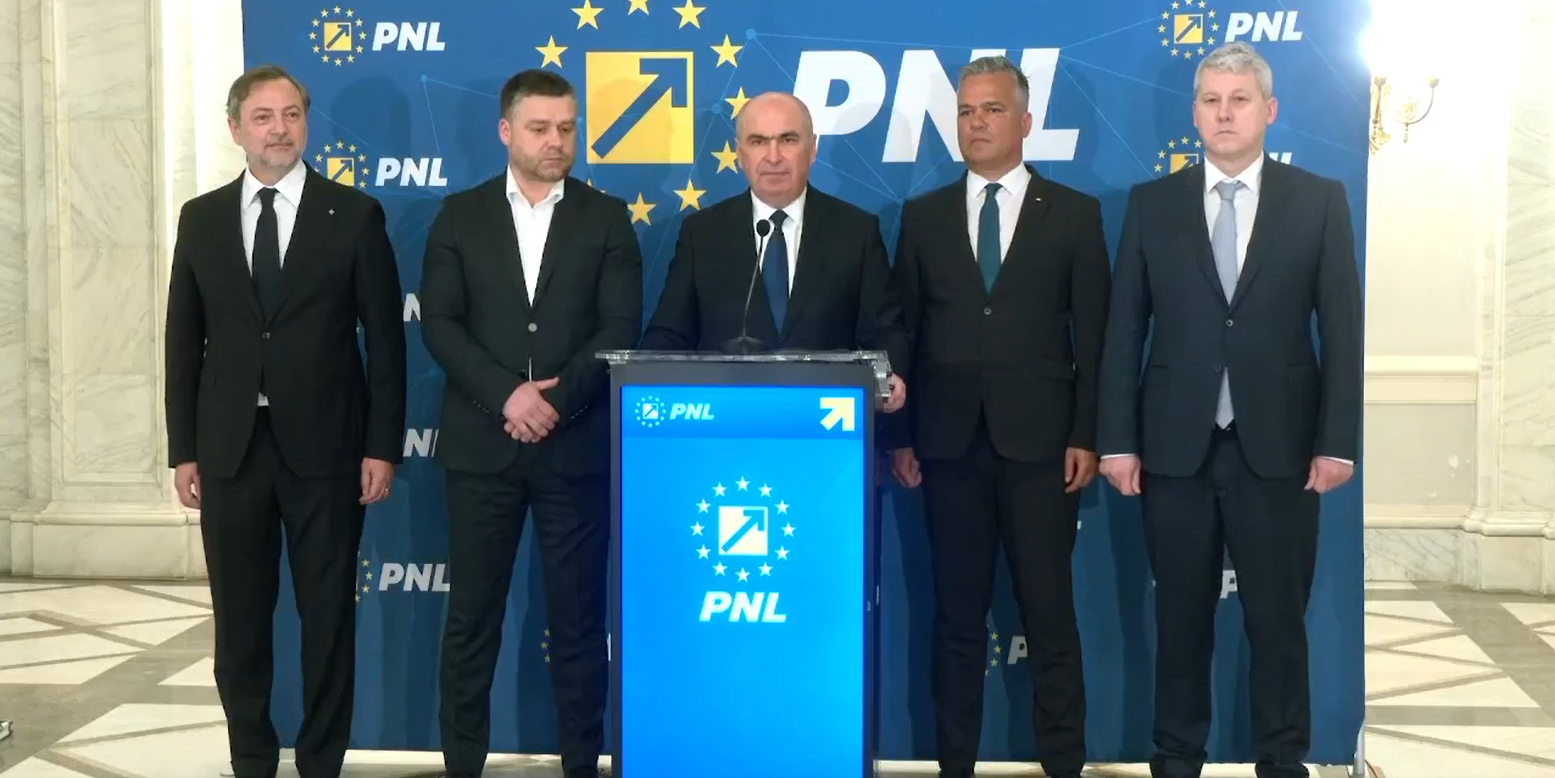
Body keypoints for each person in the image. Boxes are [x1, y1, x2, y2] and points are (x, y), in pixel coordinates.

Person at [1096, 42, 1362, 778]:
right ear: (1193, 112)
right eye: (1211, 100)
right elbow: (1125, 329)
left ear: (1267, 110)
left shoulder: (1318, 200)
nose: (1224, 113)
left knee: (1278, 625)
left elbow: (1341, 328)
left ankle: (1282, 762)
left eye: (1238, 99)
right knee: (1179, 623)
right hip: (1173, 449)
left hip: (1280, 450)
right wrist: (1116, 439)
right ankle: (1176, 760)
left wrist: (1336, 441)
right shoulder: (1151, 204)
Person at [163, 65, 406, 778]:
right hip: (229, 451)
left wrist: (381, 446)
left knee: (327, 619)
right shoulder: (201, 218)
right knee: (239, 623)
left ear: (306, 123)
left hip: (327, 451)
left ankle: (321, 762)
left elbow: (386, 344)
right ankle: (251, 758)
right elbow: (182, 341)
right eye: (264, 117)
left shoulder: (353, 215)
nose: (280, 129)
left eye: (292, 114)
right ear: (235, 129)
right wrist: (183, 449)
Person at [888, 55, 1110, 778]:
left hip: (1043, 450)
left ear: (1026, 121)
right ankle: (954, 763)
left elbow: (1094, 336)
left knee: (1049, 619)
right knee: (956, 620)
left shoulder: (1074, 214)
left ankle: (1063, 763)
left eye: (990, 109)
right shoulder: (921, 217)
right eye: (965, 111)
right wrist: (899, 436)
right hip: (947, 447)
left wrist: (1086, 433)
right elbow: (903, 335)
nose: (975, 123)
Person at [419, 69, 642, 778]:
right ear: (505, 131)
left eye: (567, 129)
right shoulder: (459, 216)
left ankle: (581, 763)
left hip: (574, 447)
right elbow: (441, 324)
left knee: (578, 624)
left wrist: (554, 402)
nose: (556, 142)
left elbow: (619, 326)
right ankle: (462, 764)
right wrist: (507, 397)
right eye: (541, 128)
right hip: (481, 449)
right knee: (471, 621)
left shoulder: (607, 218)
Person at [639, 91, 908, 410]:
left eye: (788, 140)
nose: (773, 156)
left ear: (812, 149)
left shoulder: (855, 230)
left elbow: (884, 332)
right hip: (728, 419)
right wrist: (648, 385)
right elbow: (668, 336)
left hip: (827, 422)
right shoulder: (703, 233)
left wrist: (888, 378)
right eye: (758, 141)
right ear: (740, 153)